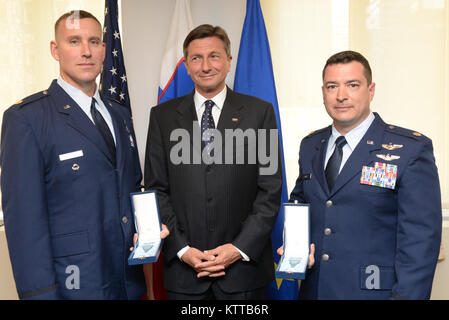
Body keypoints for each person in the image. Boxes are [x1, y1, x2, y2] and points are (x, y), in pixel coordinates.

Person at [0, 10, 168, 299]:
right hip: (74, 285)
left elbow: (129, 187)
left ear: (104, 50)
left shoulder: (119, 113)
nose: (86, 51)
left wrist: (149, 229)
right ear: (56, 50)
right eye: (74, 41)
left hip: (127, 280)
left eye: (94, 41)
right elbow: (25, 224)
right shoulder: (27, 118)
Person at [284, 50, 442, 299]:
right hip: (315, 291)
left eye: (352, 85)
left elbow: (421, 243)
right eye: (332, 86)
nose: (341, 96)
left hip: (375, 292)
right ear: (323, 93)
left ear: (371, 90)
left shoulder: (410, 150)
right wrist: (297, 247)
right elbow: (302, 202)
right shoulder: (310, 145)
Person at [144, 24, 282, 300]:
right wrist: (182, 249)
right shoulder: (163, 117)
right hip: (184, 276)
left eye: (214, 56)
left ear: (229, 61)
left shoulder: (260, 113)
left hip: (244, 273)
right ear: (186, 65)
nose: (206, 66)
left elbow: (270, 190)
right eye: (196, 58)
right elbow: (156, 189)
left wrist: (238, 248)